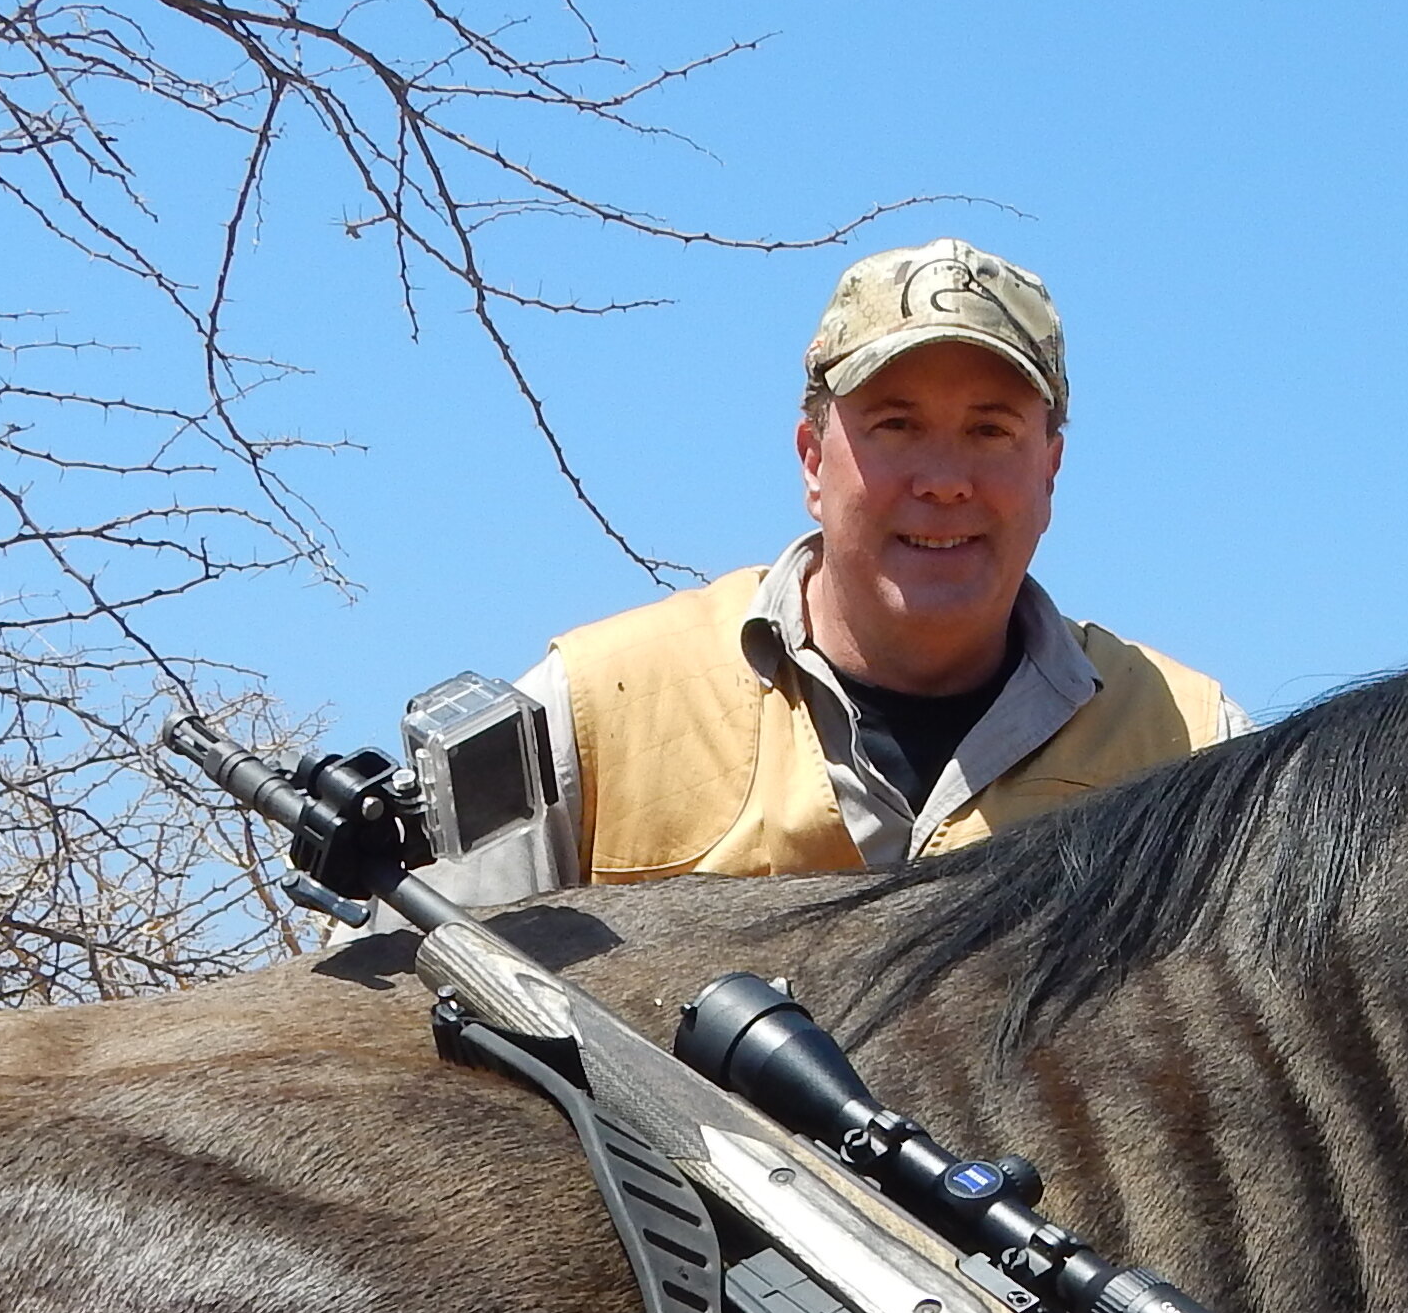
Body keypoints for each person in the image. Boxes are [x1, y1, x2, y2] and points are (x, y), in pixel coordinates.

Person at [432, 240, 1242, 898]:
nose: (945, 481)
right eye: (896, 426)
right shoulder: (585, 716)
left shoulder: (1199, 751)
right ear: (812, 461)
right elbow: (387, 1037)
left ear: (1051, 470)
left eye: (991, 432)